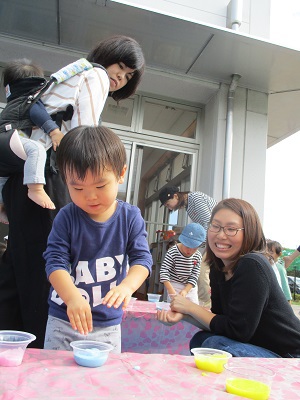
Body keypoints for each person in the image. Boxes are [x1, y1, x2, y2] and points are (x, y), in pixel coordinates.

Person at [0, 35, 145, 348]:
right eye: (119, 67)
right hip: (45, 176)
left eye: (128, 75)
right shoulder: (95, 75)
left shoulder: (72, 72)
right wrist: (100, 160)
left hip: (22, 176)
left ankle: (9, 343)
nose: (119, 77)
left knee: (17, 262)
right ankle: (37, 347)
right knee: (43, 267)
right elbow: (85, 135)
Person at [43, 125, 152, 352]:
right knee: (56, 378)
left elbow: (142, 260)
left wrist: (127, 287)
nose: (90, 196)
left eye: (101, 185)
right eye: (78, 187)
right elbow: (55, 262)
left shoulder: (130, 217)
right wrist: (72, 297)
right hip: (64, 318)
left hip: (107, 324)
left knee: (103, 381)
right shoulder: (66, 217)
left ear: (121, 174)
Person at [157, 198, 300, 358]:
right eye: (215, 226)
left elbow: (238, 331)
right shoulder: (218, 267)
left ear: (250, 231)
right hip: (257, 345)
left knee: (214, 345)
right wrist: (184, 315)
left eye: (231, 229)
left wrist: (190, 307)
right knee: (201, 339)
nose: (221, 235)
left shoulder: (253, 264)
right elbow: (220, 322)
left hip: (289, 355)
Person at [0, 59, 63, 224]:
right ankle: (35, 188)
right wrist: (54, 131)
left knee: (3, 177)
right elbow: (37, 112)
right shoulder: (29, 98)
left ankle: (1, 206)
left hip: (4, 145)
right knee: (36, 150)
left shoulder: (12, 103)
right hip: (9, 138)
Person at [159, 186, 218, 307]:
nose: (168, 207)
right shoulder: (189, 207)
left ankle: (206, 305)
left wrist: (196, 245)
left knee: (202, 272)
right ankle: (206, 303)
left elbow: (209, 224)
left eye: (167, 203)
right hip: (211, 240)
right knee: (205, 272)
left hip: (216, 238)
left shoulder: (195, 198)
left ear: (175, 196)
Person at [160, 223, 205, 304]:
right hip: (174, 285)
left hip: (190, 287)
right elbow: (164, 272)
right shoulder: (173, 252)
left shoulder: (198, 255)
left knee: (193, 310)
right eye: (187, 246)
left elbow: (194, 276)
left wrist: (186, 290)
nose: (190, 251)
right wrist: (171, 291)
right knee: (174, 308)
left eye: (194, 248)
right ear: (182, 241)